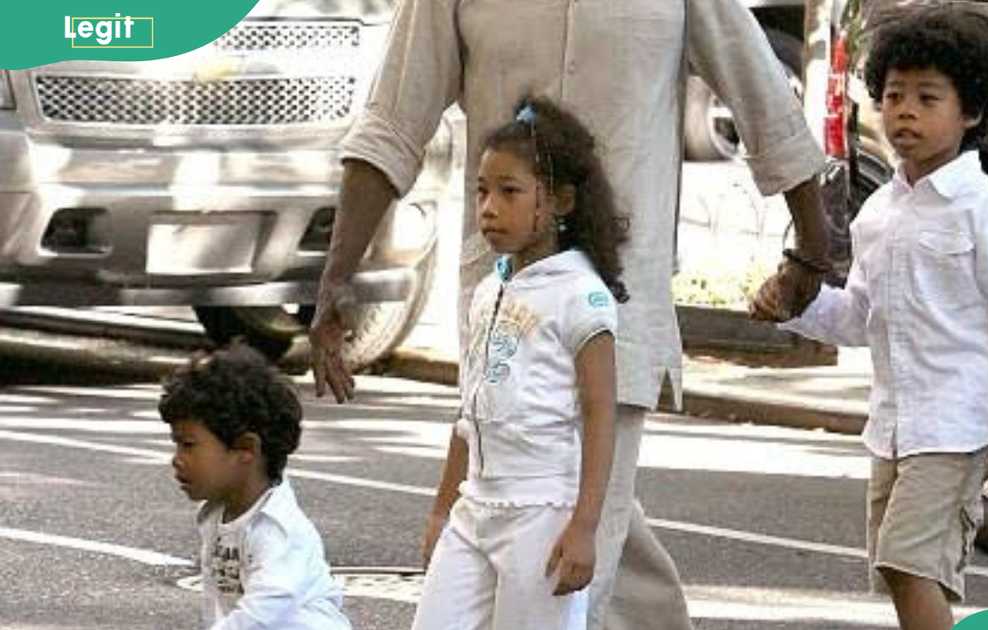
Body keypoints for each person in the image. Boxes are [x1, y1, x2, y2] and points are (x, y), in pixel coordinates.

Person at [310, 3, 830, 628]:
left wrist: (812, 246)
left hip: (618, 307)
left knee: (570, 564)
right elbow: (392, 122)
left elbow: (760, 91)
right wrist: (336, 277)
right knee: (588, 554)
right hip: (502, 305)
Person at [751, 9, 988, 630]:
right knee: (903, 570)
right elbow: (861, 320)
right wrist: (797, 306)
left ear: (970, 112)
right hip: (893, 427)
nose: (905, 112)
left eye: (927, 98)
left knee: (908, 562)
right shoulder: (879, 215)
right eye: (893, 96)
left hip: (958, 427)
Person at [411, 96, 624, 630]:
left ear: (560, 201)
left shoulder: (580, 295)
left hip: (541, 514)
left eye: (510, 192)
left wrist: (584, 527)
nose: (489, 208)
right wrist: (441, 509)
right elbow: (469, 412)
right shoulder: (489, 290)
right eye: (482, 191)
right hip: (475, 508)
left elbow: (601, 413)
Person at [161, 343, 352, 630]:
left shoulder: (277, 529)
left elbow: (264, 612)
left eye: (188, 445)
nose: (177, 459)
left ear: (246, 448)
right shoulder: (217, 511)